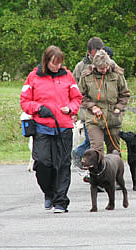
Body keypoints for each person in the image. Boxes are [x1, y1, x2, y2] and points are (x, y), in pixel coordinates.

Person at [20, 45, 82, 213]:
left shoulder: (68, 76)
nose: (57, 67)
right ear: (46, 61)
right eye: (54, 63)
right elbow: (24, 102)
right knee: (42, 163)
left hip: (64, 127)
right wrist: (38, 108)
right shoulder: (33, 77)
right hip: (42, 127)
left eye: (60, 63)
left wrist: (70, 108)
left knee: (63, 164)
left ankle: (61, 201)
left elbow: (77, 98)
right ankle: (49, 192)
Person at [71, 38, 115, 170]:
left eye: (100, 52)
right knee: (94, 144)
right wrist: (76, 111)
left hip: (110, 113)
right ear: (89, 52)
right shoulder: (80, 67)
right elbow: (75, 90)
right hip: (89, 113)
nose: (98, 55)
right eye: (95, 53)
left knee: (111, 144)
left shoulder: (111, 64)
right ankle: (89, 165)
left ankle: (110, 172)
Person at [79, 49, 130, 155]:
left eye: (106, 67)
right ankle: (97, 171)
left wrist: (118, 107)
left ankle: (115, 172)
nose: (105, 70)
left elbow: (125, 94)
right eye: (101, 68)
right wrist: (92, 107)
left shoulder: (117, 74)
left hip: (113, 118)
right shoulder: (86, 76)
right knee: (97, 151)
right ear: (95, 66)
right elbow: (80, 96)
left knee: (114, 152)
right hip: (94, 119)